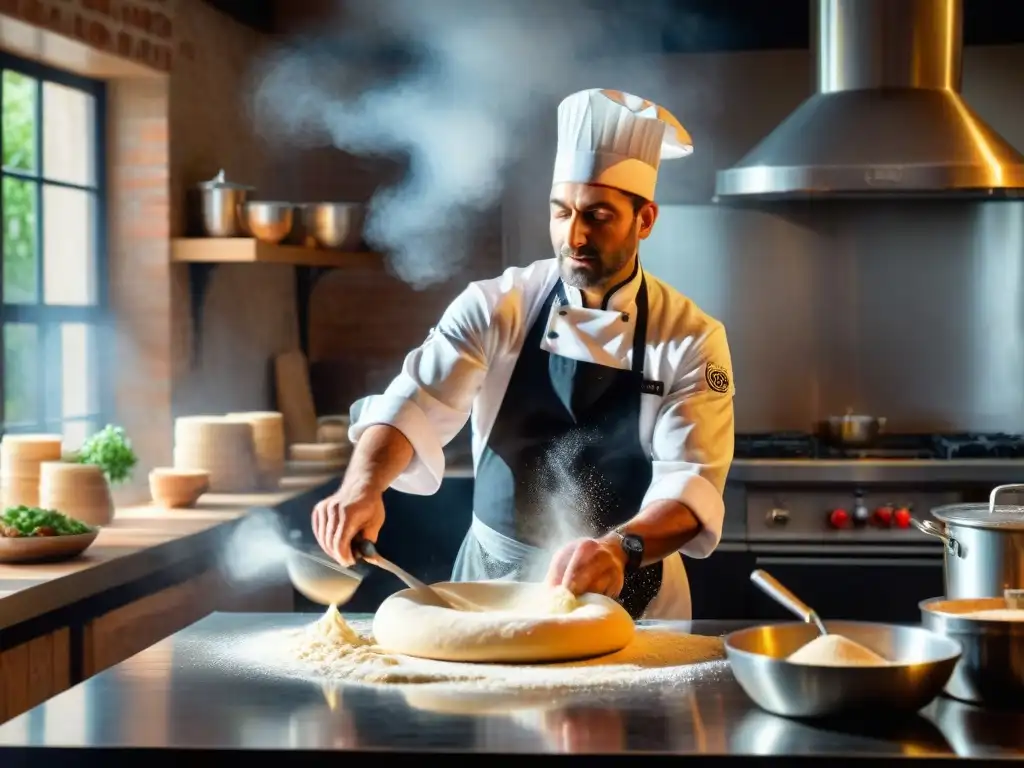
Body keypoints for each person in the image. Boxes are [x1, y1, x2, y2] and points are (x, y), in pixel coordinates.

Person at [312, 88, 735, 620]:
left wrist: (620, 548)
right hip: (492, 583)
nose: (574, 235)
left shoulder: (691, 336)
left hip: (635, 591)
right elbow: (414, 400)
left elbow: (692, 483)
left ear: (644, 220)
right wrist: (361, 486)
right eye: (561, 213)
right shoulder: (498, 305)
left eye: (599, 216)